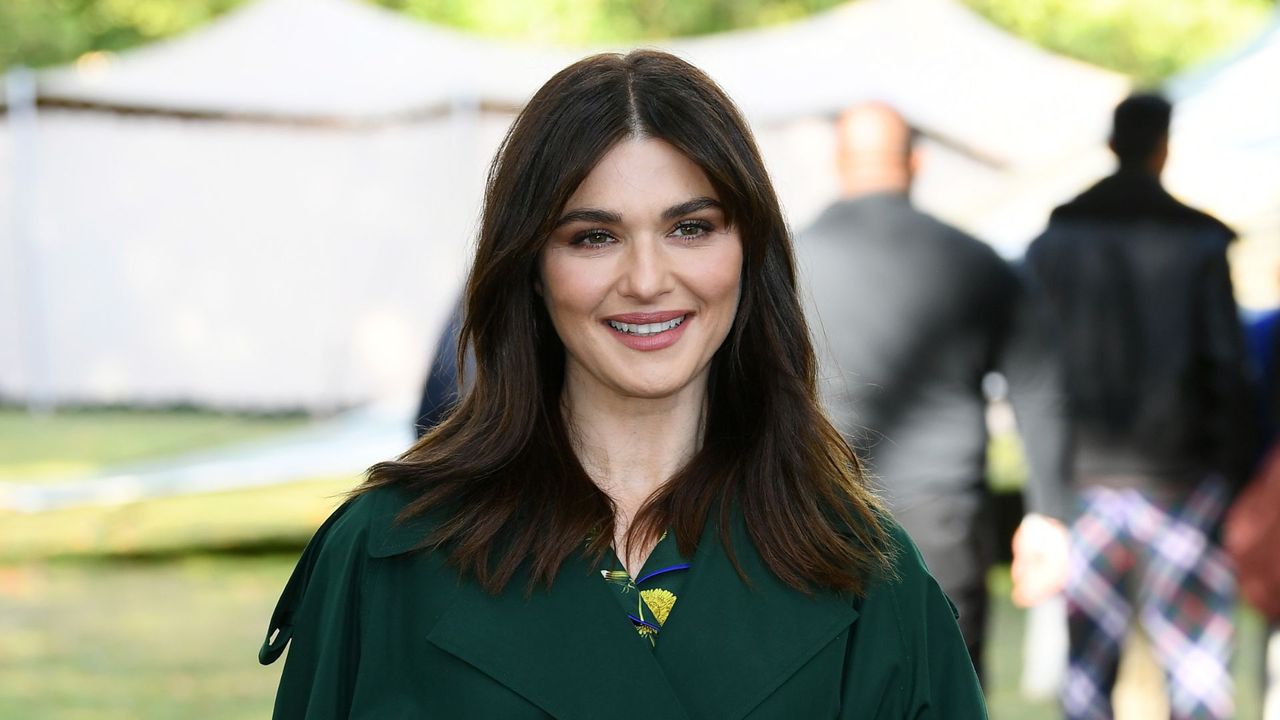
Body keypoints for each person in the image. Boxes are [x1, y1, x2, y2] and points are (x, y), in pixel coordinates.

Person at [258, 51, 987, 718]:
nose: (646, 280)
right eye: (594, 237)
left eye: (691, 228)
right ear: (532, 268)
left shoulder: (865, 572)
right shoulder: (385, 556)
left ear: (748, 252)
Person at [796, 102, 1072, 682]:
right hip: (943, 521)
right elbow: (1040, 384)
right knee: (944, 686)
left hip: (811, 514)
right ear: (916, 163)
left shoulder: (785, 263)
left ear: (839, 163)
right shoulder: (977, 262)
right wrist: (1047, 514)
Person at [1024, 92, 1256, 720]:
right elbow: (1227, 367)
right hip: (1181, 480)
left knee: (1088, 670)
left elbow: (1033, 368)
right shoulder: (1200, 242)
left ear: (1111, 143)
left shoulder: (1056, 238)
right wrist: (1232, 472)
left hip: (1084, 478)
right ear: (1162, 146)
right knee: (1198, 666)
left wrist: (1043, 486)